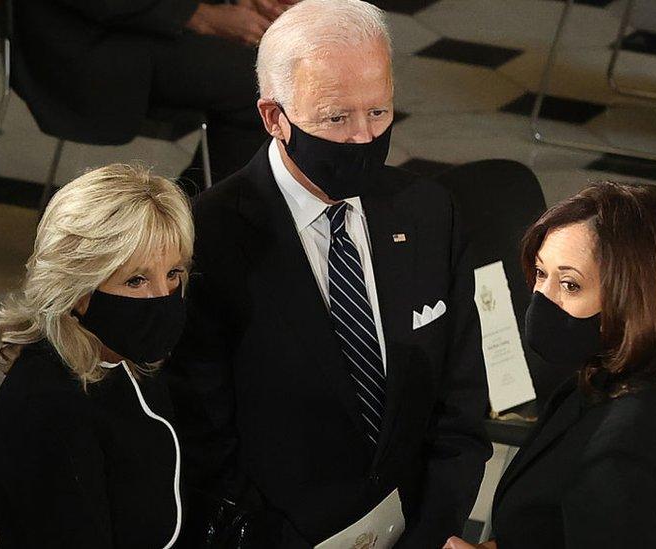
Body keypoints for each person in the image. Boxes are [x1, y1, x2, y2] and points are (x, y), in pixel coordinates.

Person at [165, 0, 492, 546]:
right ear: (275, 118)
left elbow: (459, 408)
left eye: (380, 112)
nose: (364, 138)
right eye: (337, 118)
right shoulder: (207, 239)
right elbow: (204, 442)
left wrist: (431, 534)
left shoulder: (430, 213)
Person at [445, 182, 656, 549]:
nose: (542, 300)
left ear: (633, 299)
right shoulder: (607, 378)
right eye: (541, 274)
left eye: (570, 285)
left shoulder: (627, 444)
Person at [0, 164, 194, 548]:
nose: (164, 296)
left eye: (174, 273)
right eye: (136, 280)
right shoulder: (47, 410)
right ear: (77, 289)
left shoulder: (124, 361)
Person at [11, 0, 298, 185]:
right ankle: (194, 230)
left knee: (284, 63)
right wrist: (201, 15)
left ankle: (194, 225)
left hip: (138, 25)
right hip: (83, 40)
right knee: (260, 86)